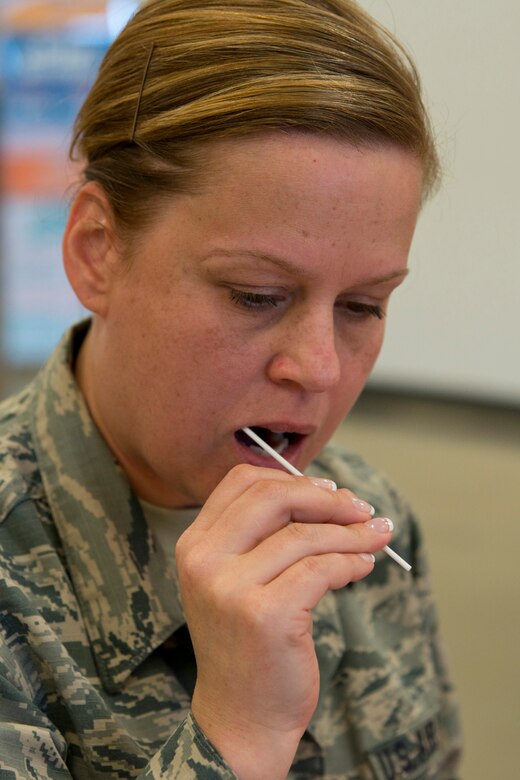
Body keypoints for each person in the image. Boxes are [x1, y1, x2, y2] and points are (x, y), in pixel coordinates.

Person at [0, 1, 462, 778]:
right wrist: (237, 737)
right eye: (256, 294)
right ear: (95, 253)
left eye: (363, 307)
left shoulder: (373, 532)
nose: (318, 367)